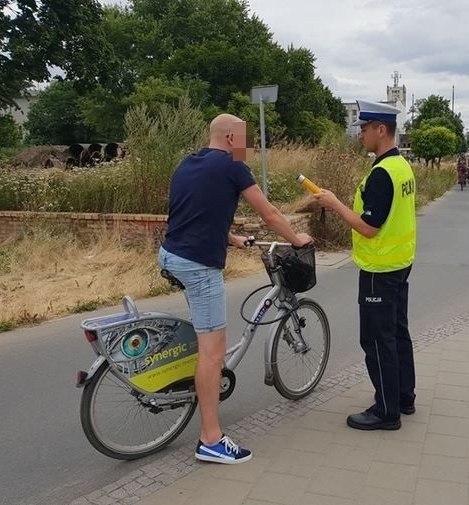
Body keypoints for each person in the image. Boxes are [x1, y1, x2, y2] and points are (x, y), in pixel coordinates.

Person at [158, 114, 313, 463]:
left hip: (170, 255)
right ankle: (211, 439)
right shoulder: (232, 165)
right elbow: (270, 214)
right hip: (198, 265)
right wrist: (296, 239)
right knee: (213, 352)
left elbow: (190, 214)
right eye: (245, 141)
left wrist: (231, 238)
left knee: (204, 338)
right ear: (230, 138)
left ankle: (192, 377)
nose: (248, 148)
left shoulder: (188, 162)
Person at [314, 100, 416, 431]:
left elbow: (369, 226)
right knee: (398, 332)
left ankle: (387, 411)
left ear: (381, 130)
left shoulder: (382, 174)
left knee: (376, 339)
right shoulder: (402, 166)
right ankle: (404, 396)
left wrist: (334, 204)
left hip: (379, 268)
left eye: (364, 128)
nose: (360, 135)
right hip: (400, 263)